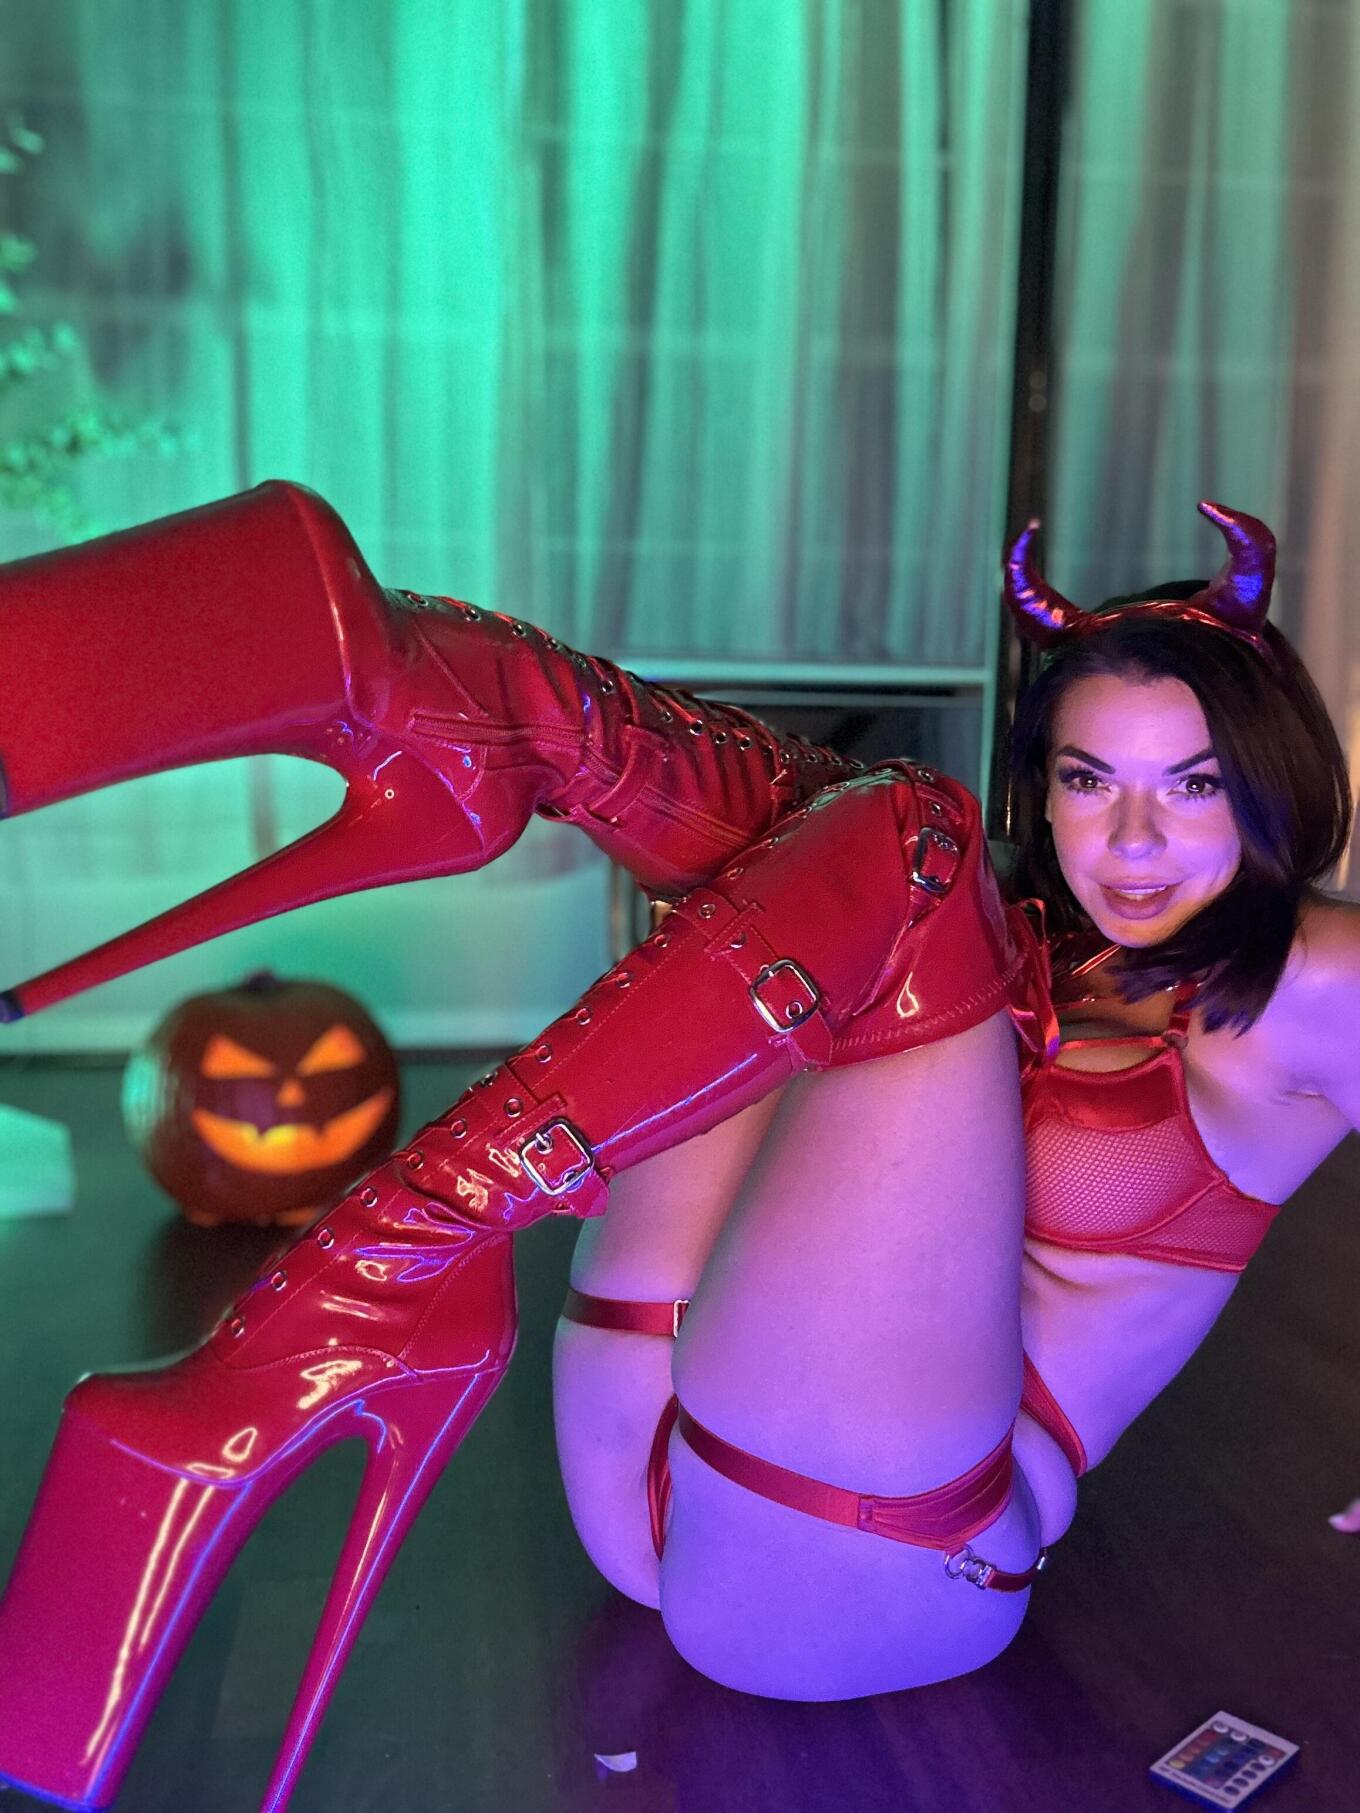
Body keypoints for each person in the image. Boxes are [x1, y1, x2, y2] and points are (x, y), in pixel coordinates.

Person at [0, 484, 1353, 1812]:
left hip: (880, 1550)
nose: (1131, 840)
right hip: (655, 1431)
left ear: (1271, 785)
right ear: (1044, 788)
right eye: (1087, 778)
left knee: (910, 844)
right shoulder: (1052, 939)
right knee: (820, 833)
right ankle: (400, 678)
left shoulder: (1317, 978)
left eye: (1193, 785)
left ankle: (367, 1268)